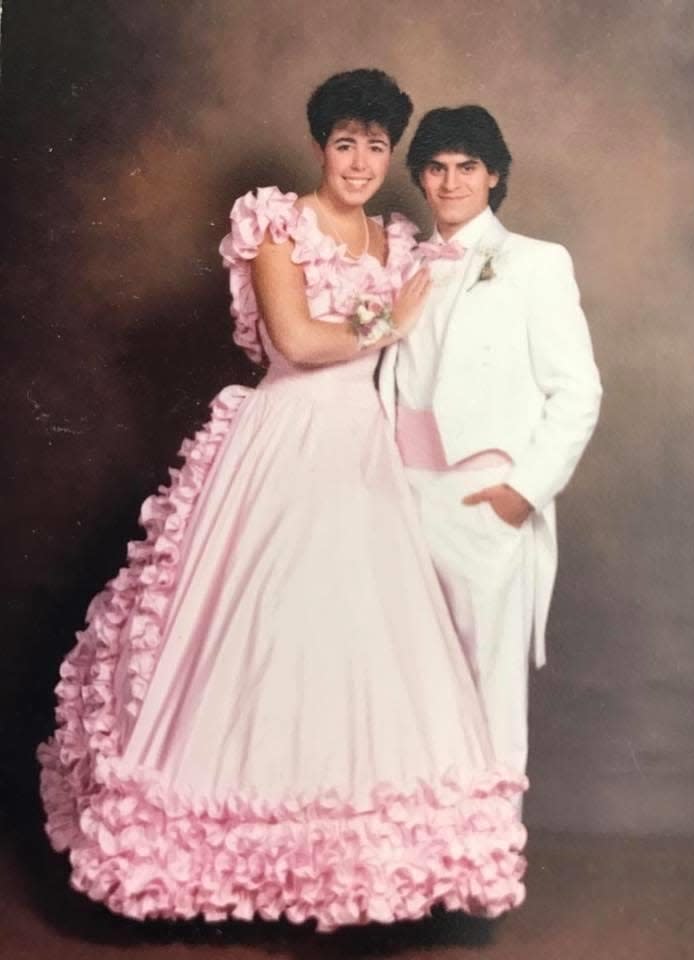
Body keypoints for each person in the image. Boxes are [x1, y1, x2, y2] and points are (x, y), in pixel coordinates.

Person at [38, 72, 526, 932]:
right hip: (285, 441)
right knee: (267, 633)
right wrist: (389, 325)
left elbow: (441, 359)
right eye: (346, 143)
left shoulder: (400, 237)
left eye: (378, 146)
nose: (362, 161)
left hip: (368, 451)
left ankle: (351, 869)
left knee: (361, 645)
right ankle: (232, 866)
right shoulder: (274, 220)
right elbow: (296, 341)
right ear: (320, 147)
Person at [379, 105, 602, 778]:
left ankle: (490, 863)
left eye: (467, 168)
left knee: (488, 685)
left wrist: (522, 493)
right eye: (437, 169)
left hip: (483, 500)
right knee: (406, 680)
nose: (451, 184)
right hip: (398, 496)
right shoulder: (400, 262)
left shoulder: (534, 263)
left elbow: (578, 391)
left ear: (493, 175)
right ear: (419, 178)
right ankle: (425, 853)